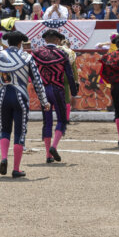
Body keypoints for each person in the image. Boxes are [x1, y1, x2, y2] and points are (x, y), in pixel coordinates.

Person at [0, 30, 48, 178]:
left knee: (4, 129)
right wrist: (44, 101)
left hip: (3, 95)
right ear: (20, 43)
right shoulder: (26, 57)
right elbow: (37, 81)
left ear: (9, 42)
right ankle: (16, 169)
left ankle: (4, 158)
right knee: (20, 131)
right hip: (20, 95)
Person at [30, 28, 78, 164]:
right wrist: (74, 92)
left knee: (47, 121)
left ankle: (47, 155)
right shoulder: (62, 54)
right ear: (57, 40)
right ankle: (54, 146)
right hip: (57, 89)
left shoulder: (36, 53)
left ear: (45, 40)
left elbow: (31, 73)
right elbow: (69, 74)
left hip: (43, 90)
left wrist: (36, 86)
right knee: (62, 119)